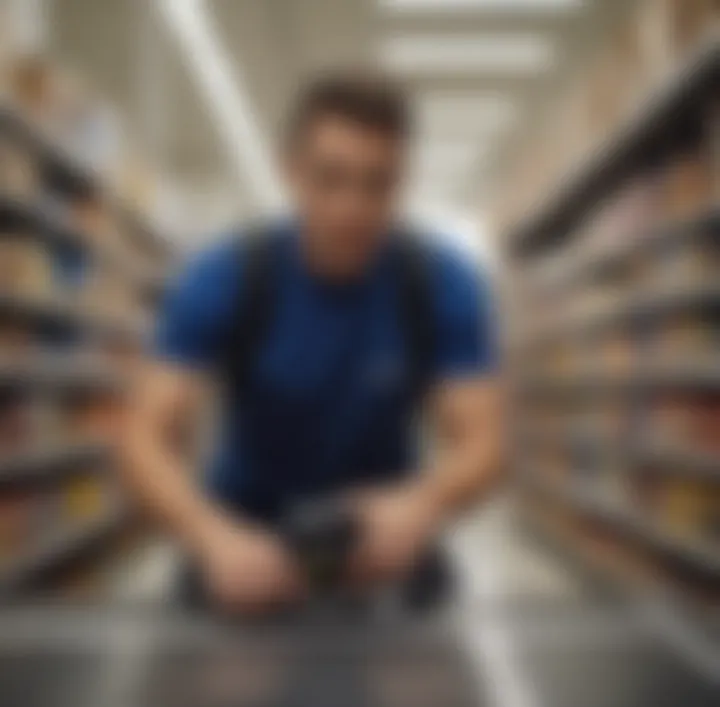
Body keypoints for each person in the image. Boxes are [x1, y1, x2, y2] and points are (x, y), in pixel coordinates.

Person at [120, 72, 504, 614]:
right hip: (247, 534)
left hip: (381, 537)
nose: (353, 206)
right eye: (330, 178)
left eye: (378, 183)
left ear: (403, 181)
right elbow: (143, 437)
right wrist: (209, 535)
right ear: (291, 171)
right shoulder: (226, 276)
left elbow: (484, 443)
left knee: (426, 693)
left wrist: (426, 501)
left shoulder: (441, 281)